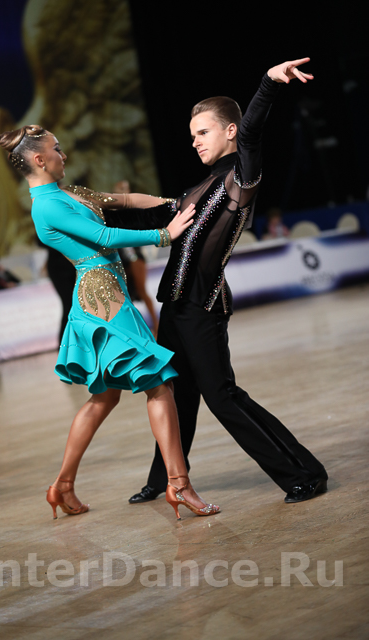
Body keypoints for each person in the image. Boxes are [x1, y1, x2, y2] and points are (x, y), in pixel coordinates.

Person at [94, 58, 328, 505]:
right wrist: (86, 204)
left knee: (222, 396)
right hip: (176, 306)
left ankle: (304, 473)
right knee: (175, 393)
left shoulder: (241, 177)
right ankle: (164, 478)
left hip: (203, 304)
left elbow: (253, 132)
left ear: (230, 131)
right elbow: (151, 212)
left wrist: (268, 83)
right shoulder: (200, 188)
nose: (195, 141)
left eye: (203, 132)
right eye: (192, 135)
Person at [0, 124, 220, 521]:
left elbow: (126, 200)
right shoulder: (46, 206)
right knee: (159, 385)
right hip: (103, 303)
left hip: (107, 297)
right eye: (57, 149)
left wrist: (176, 204)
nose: (64, 154)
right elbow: (104, 235)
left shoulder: (68, 192)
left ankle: (62, 486)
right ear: (39, 159)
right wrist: (164, 234)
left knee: (105, 397)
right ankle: (179, 484)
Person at [113, 180, 160, 334]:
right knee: (125, 295)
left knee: (141, 290)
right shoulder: (112, 211)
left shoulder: (134, 209)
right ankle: (134, 330)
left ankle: (157, 326)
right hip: (121, 257)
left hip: (134, 255)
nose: (123, 191)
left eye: (125, 188)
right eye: (120, 188)